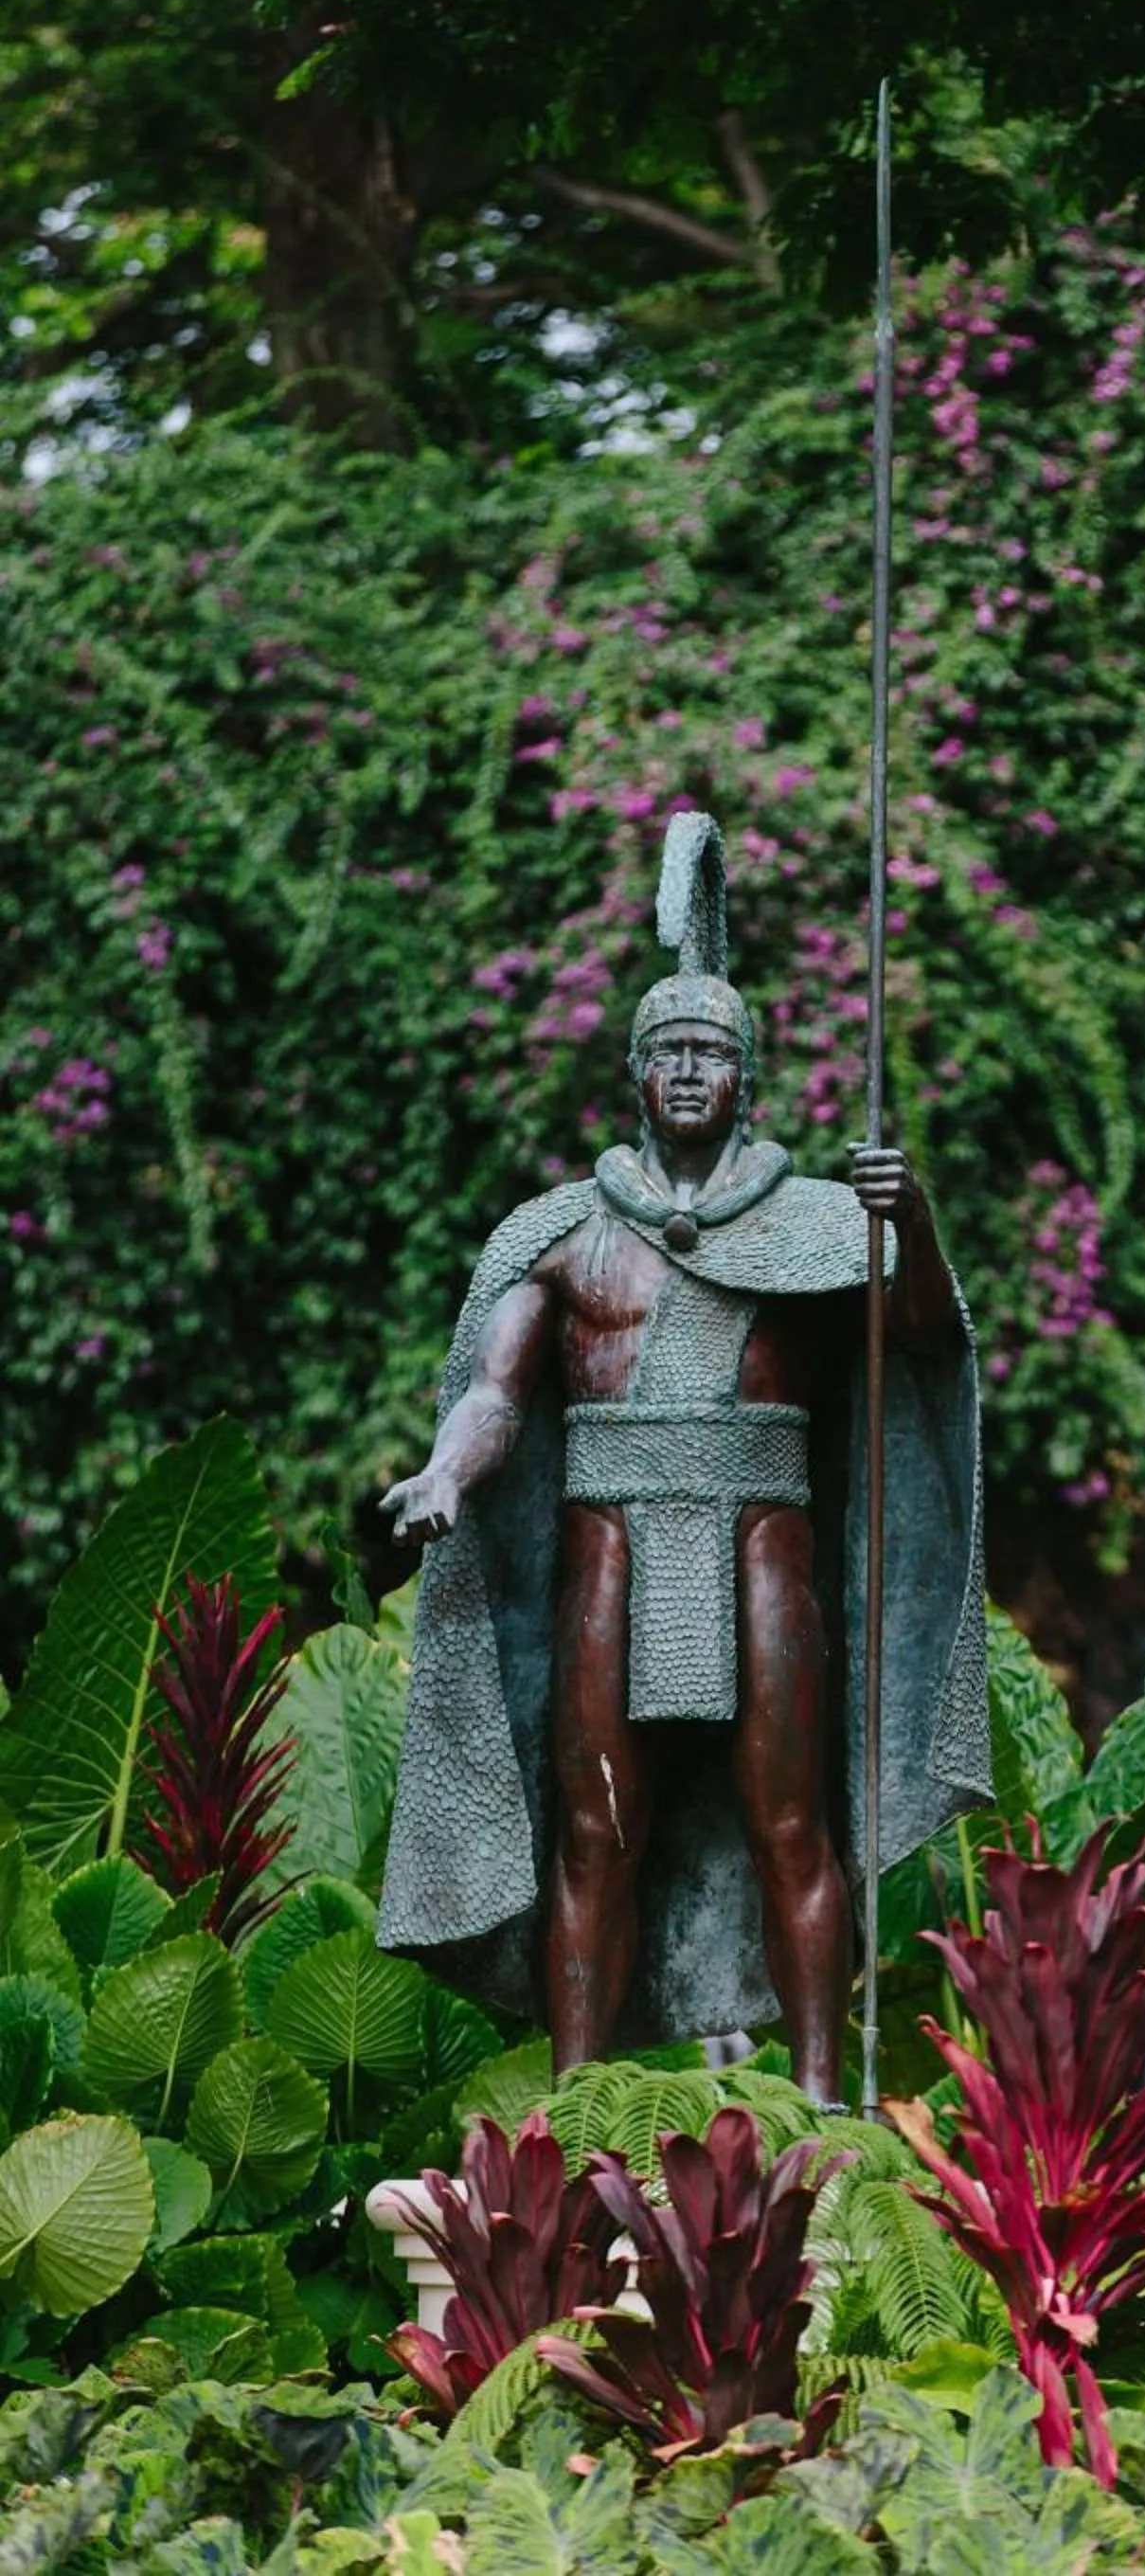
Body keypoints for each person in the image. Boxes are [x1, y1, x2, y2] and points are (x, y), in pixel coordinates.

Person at [375, 813, 988, 2099]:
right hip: (610, 1541)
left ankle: (820, 2098)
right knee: (597, 1829)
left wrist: (912, 1224)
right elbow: (497, 1392)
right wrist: (446, 1473)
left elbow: (919, 1340)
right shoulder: (564, 1235)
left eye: (712, 1052)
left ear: (745, 1076)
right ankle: (578, 2101)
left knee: (792, 1823)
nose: (691, 1071)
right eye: (670, 1053)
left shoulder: (819, 1225)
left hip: (766, 1539)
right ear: (638, 1075)